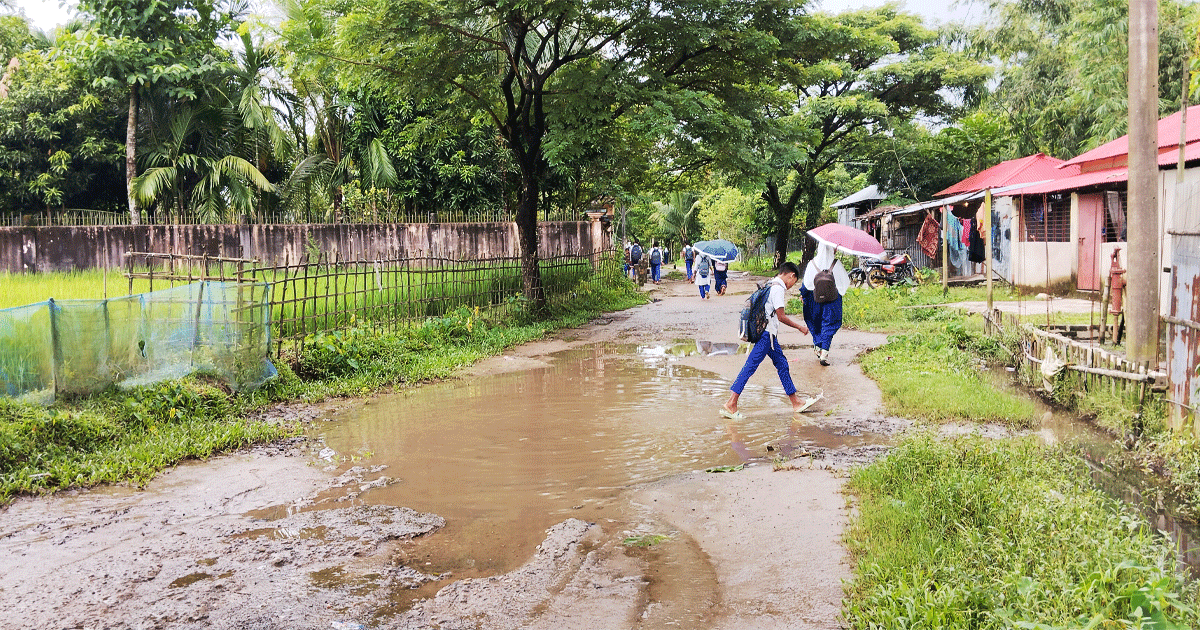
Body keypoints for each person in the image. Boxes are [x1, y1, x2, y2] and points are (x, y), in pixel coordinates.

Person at [721, 262, 811, 418]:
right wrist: (800, 327)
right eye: (793, 282)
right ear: (791, 275)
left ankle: (795, 402)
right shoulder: (778, 289)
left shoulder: (770, 283)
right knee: (750, 366)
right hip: (766, 336)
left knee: (782, 365)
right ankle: (731, 403)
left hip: (768, 335)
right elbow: (781, 316)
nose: (791, 286)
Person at [798, 243, 850, 366]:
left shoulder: (812, 263)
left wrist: (803, 295)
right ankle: (824, 353)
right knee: (829, 324)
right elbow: (844, 282)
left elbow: (806, 284)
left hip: (814, 299)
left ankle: (818, 346)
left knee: (815, 323)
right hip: (833, 300)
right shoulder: (836, 264)